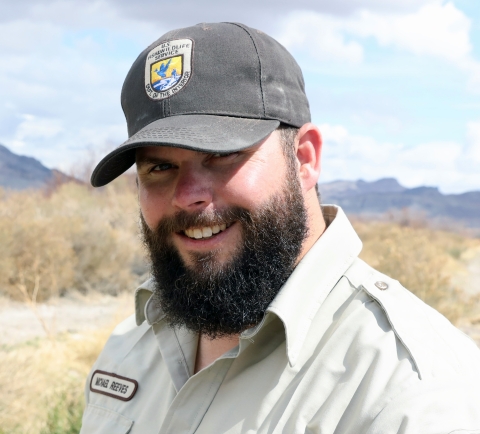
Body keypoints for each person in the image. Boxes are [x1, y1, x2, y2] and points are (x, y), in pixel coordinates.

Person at [80, 22, 480, 434]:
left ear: (305, 158)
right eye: (160, 167)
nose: (188, 195)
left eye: (221, 154)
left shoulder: (409, 389)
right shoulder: (130, 345)